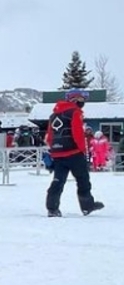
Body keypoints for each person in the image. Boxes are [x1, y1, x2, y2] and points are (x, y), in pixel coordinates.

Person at [45, 88, 104, 217]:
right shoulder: (75, 112)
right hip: (74, 152)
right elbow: (78, 133)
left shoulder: (53, 115)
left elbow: (49, 136)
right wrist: (82, 150)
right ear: (74, 100)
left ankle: (52, 208)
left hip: (58, 154)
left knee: (58, 181)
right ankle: (87, 206)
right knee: (83, 180)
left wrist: (53, 150)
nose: (83, 102)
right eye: (82, 99)